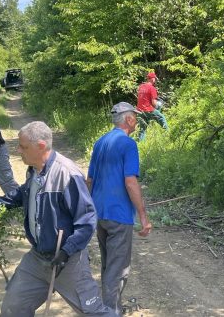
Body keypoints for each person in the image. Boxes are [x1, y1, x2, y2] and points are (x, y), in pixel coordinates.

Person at [0, 121, 117, 316]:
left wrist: (66, 252)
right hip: (37, 260)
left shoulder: (67, 174)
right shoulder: (34, 170)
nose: (18, 150)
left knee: (94, 313)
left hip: (68, 262)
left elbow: (87, 220)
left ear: (40, 146)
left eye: (23, 147)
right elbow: (23, 194)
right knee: (13, 309)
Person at [88, 102, 152, 313]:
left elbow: (90, 180)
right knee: (118, 270)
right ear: (129, 119)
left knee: (109, 265)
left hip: (100, 213)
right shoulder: (128, 144)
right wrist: (143, 216)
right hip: (119, 215)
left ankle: (110, 307)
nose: (136, 121)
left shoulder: (100, 142)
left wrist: (86, 210)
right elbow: (130, 182)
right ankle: (109, 312)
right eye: (135, 117)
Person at [136, 71, 168, 141]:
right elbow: (154, 103)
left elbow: (143, 99)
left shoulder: (141, 86)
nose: (155, 80)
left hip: (139, 110)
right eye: (155, 78)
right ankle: (168, 136)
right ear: (152, 79)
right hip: (148, 110)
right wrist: (159, 104)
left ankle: (140, 143)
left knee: (142, 129)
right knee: (162, 118)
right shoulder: (152, 88)